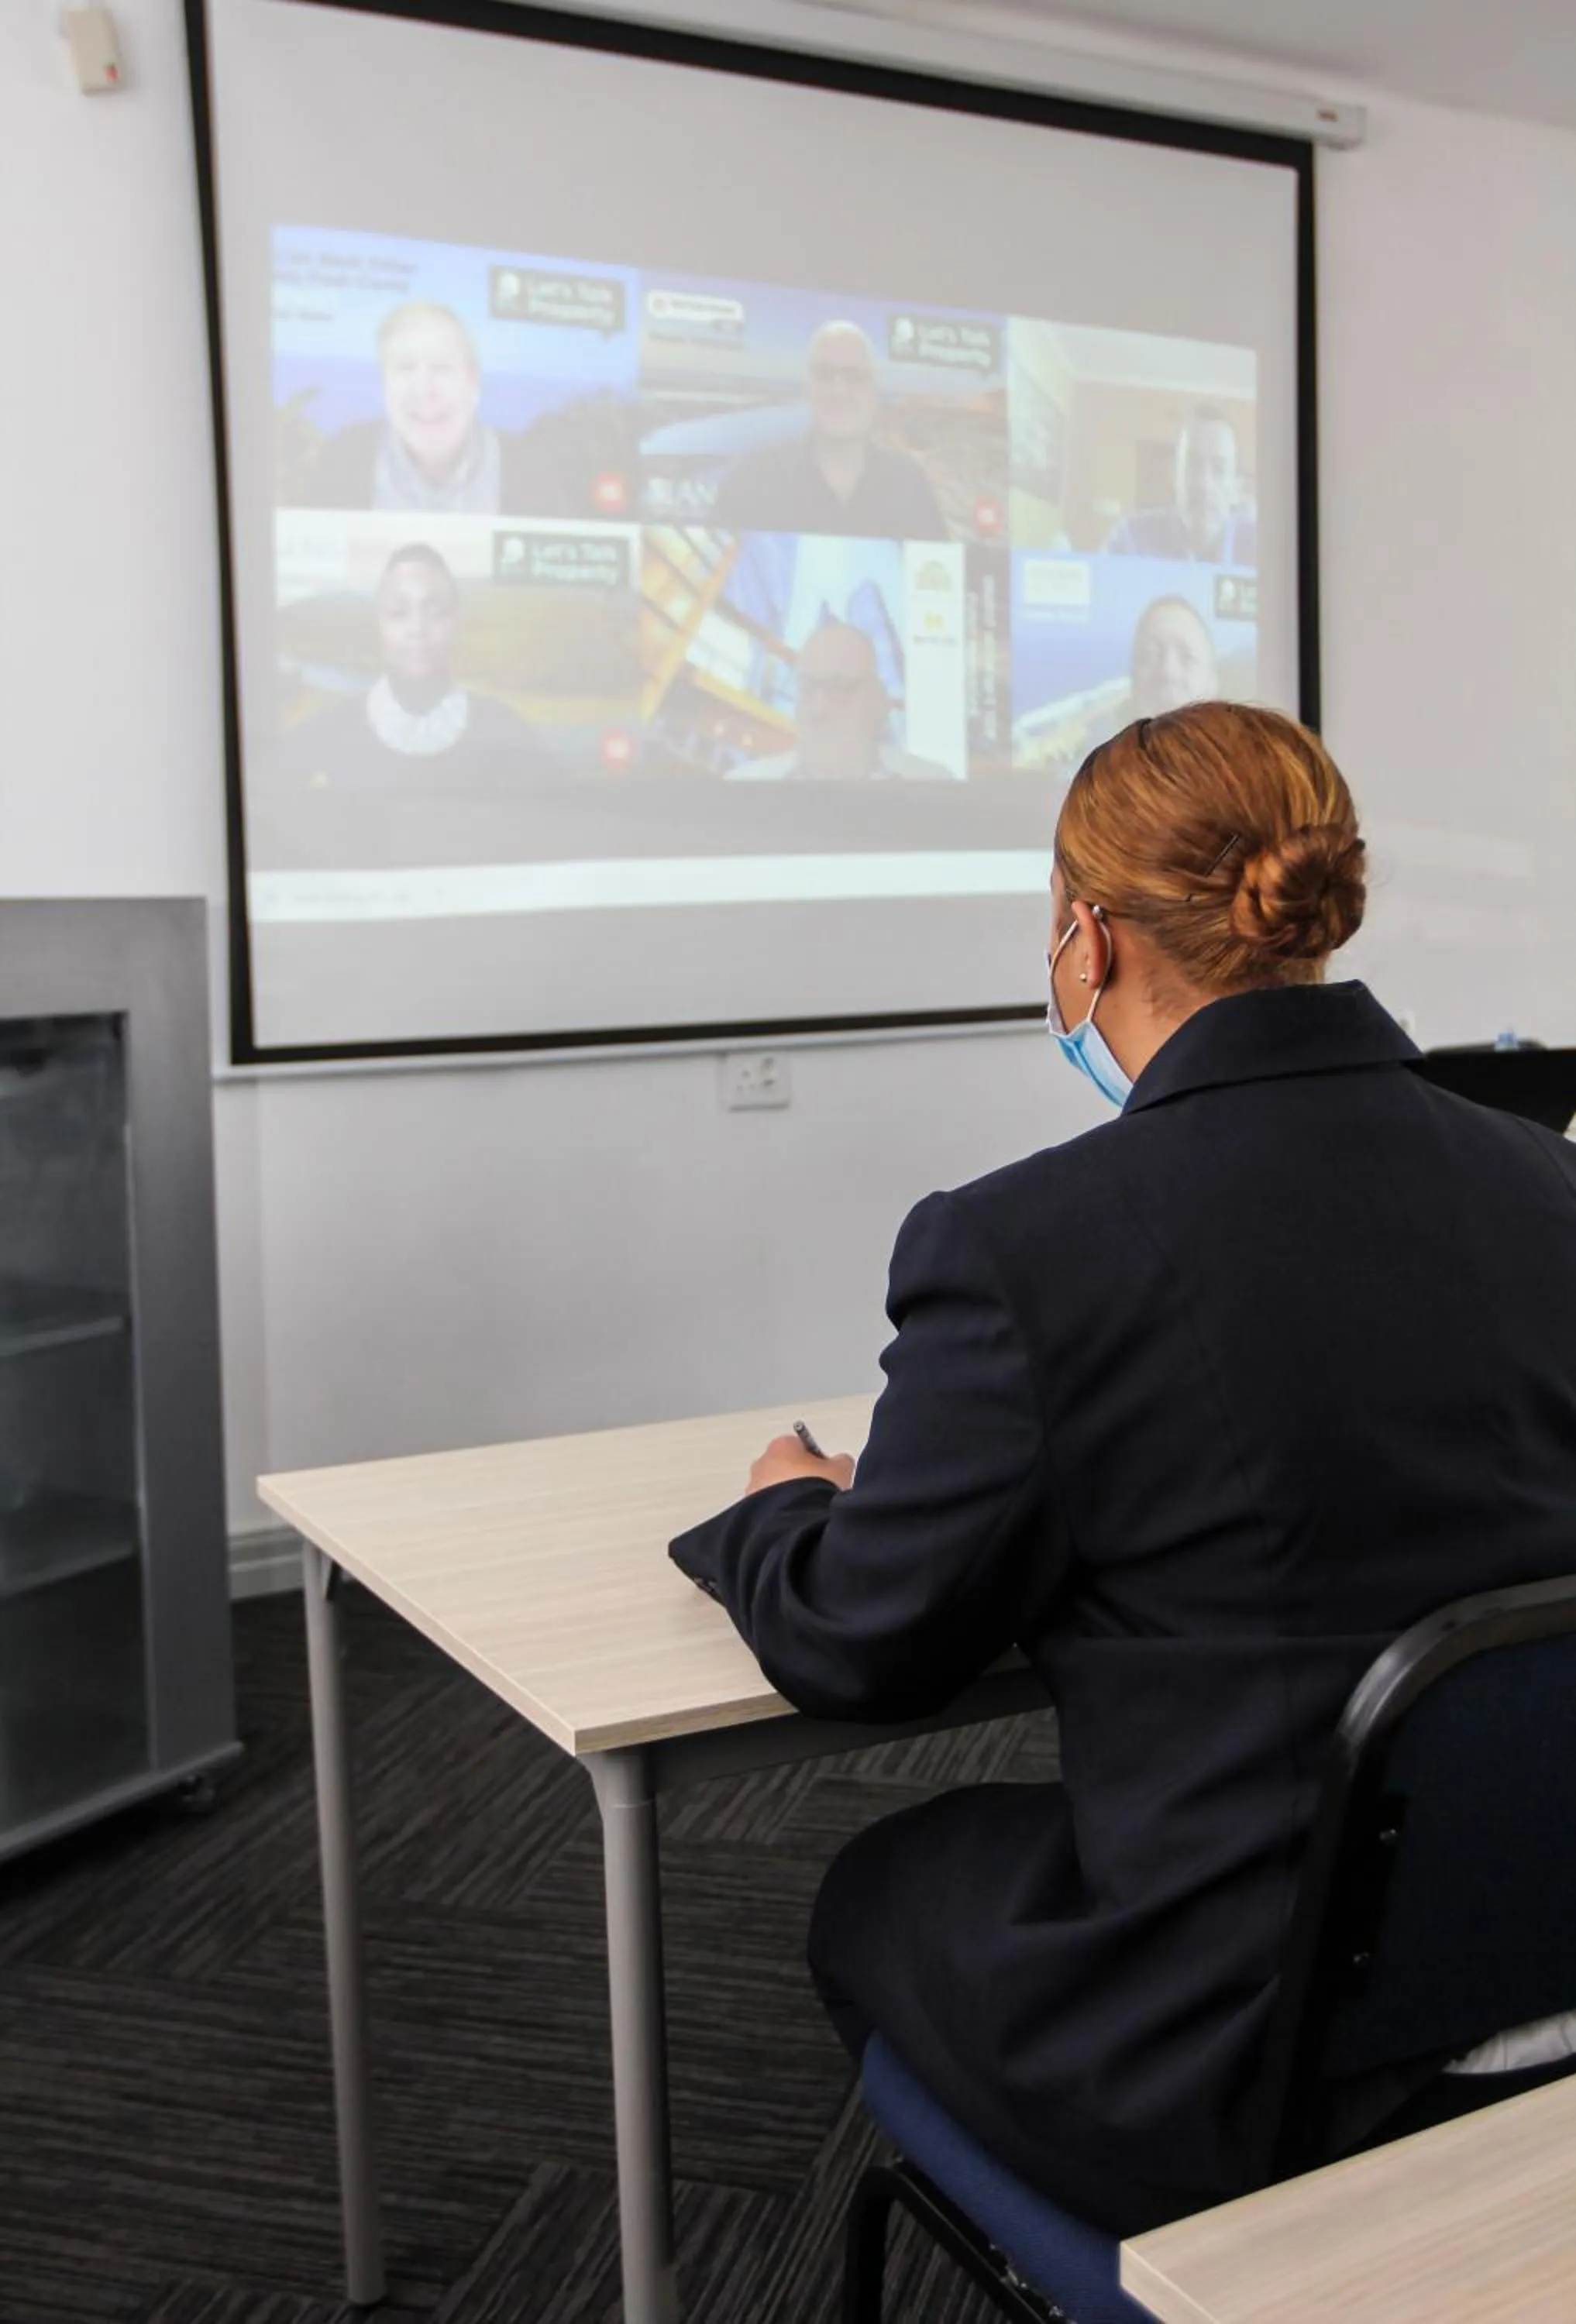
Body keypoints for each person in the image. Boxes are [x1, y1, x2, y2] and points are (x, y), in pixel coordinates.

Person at [669, 700, 1576, 2236]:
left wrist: (785, 1506)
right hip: (1536, 1948)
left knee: (872, 1891)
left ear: (1089, 942)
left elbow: (864, 1645)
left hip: (1251, 2049)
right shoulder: (1548, 1179)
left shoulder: (1024, 1247)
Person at [279, 543, 547, 797]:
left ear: (456, 621)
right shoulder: (327, 731)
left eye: (436, 612)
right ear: (379, 624)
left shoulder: (506, 730)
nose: (417, 629)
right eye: (398, 612)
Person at [710, 322, 948, 540]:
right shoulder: (754, 478)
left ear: (874, 391)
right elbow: (714, 577)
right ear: (808, 386)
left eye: (854, 376)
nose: (839, 390)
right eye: (825, 375)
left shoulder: (909, 486)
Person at [307, 302, 506, 514]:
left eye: (441, 368)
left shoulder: (528, 466)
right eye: (405, 368)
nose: (424, 389)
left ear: (473, 381)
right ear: (384, 383)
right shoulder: (342, 460)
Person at [731, 621, 957, 782]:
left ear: (877, 703)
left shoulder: (934, 785)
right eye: (807, 688)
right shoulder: (742, 787)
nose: (819, 710)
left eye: (840, 688)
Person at [1105, 406, 1258, 565]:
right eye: (1193, 465)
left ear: (1237, 489)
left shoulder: (1263, 551)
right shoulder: (1131, 539)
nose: (1204, 484)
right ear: (1173, 475)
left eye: (1219, 469)